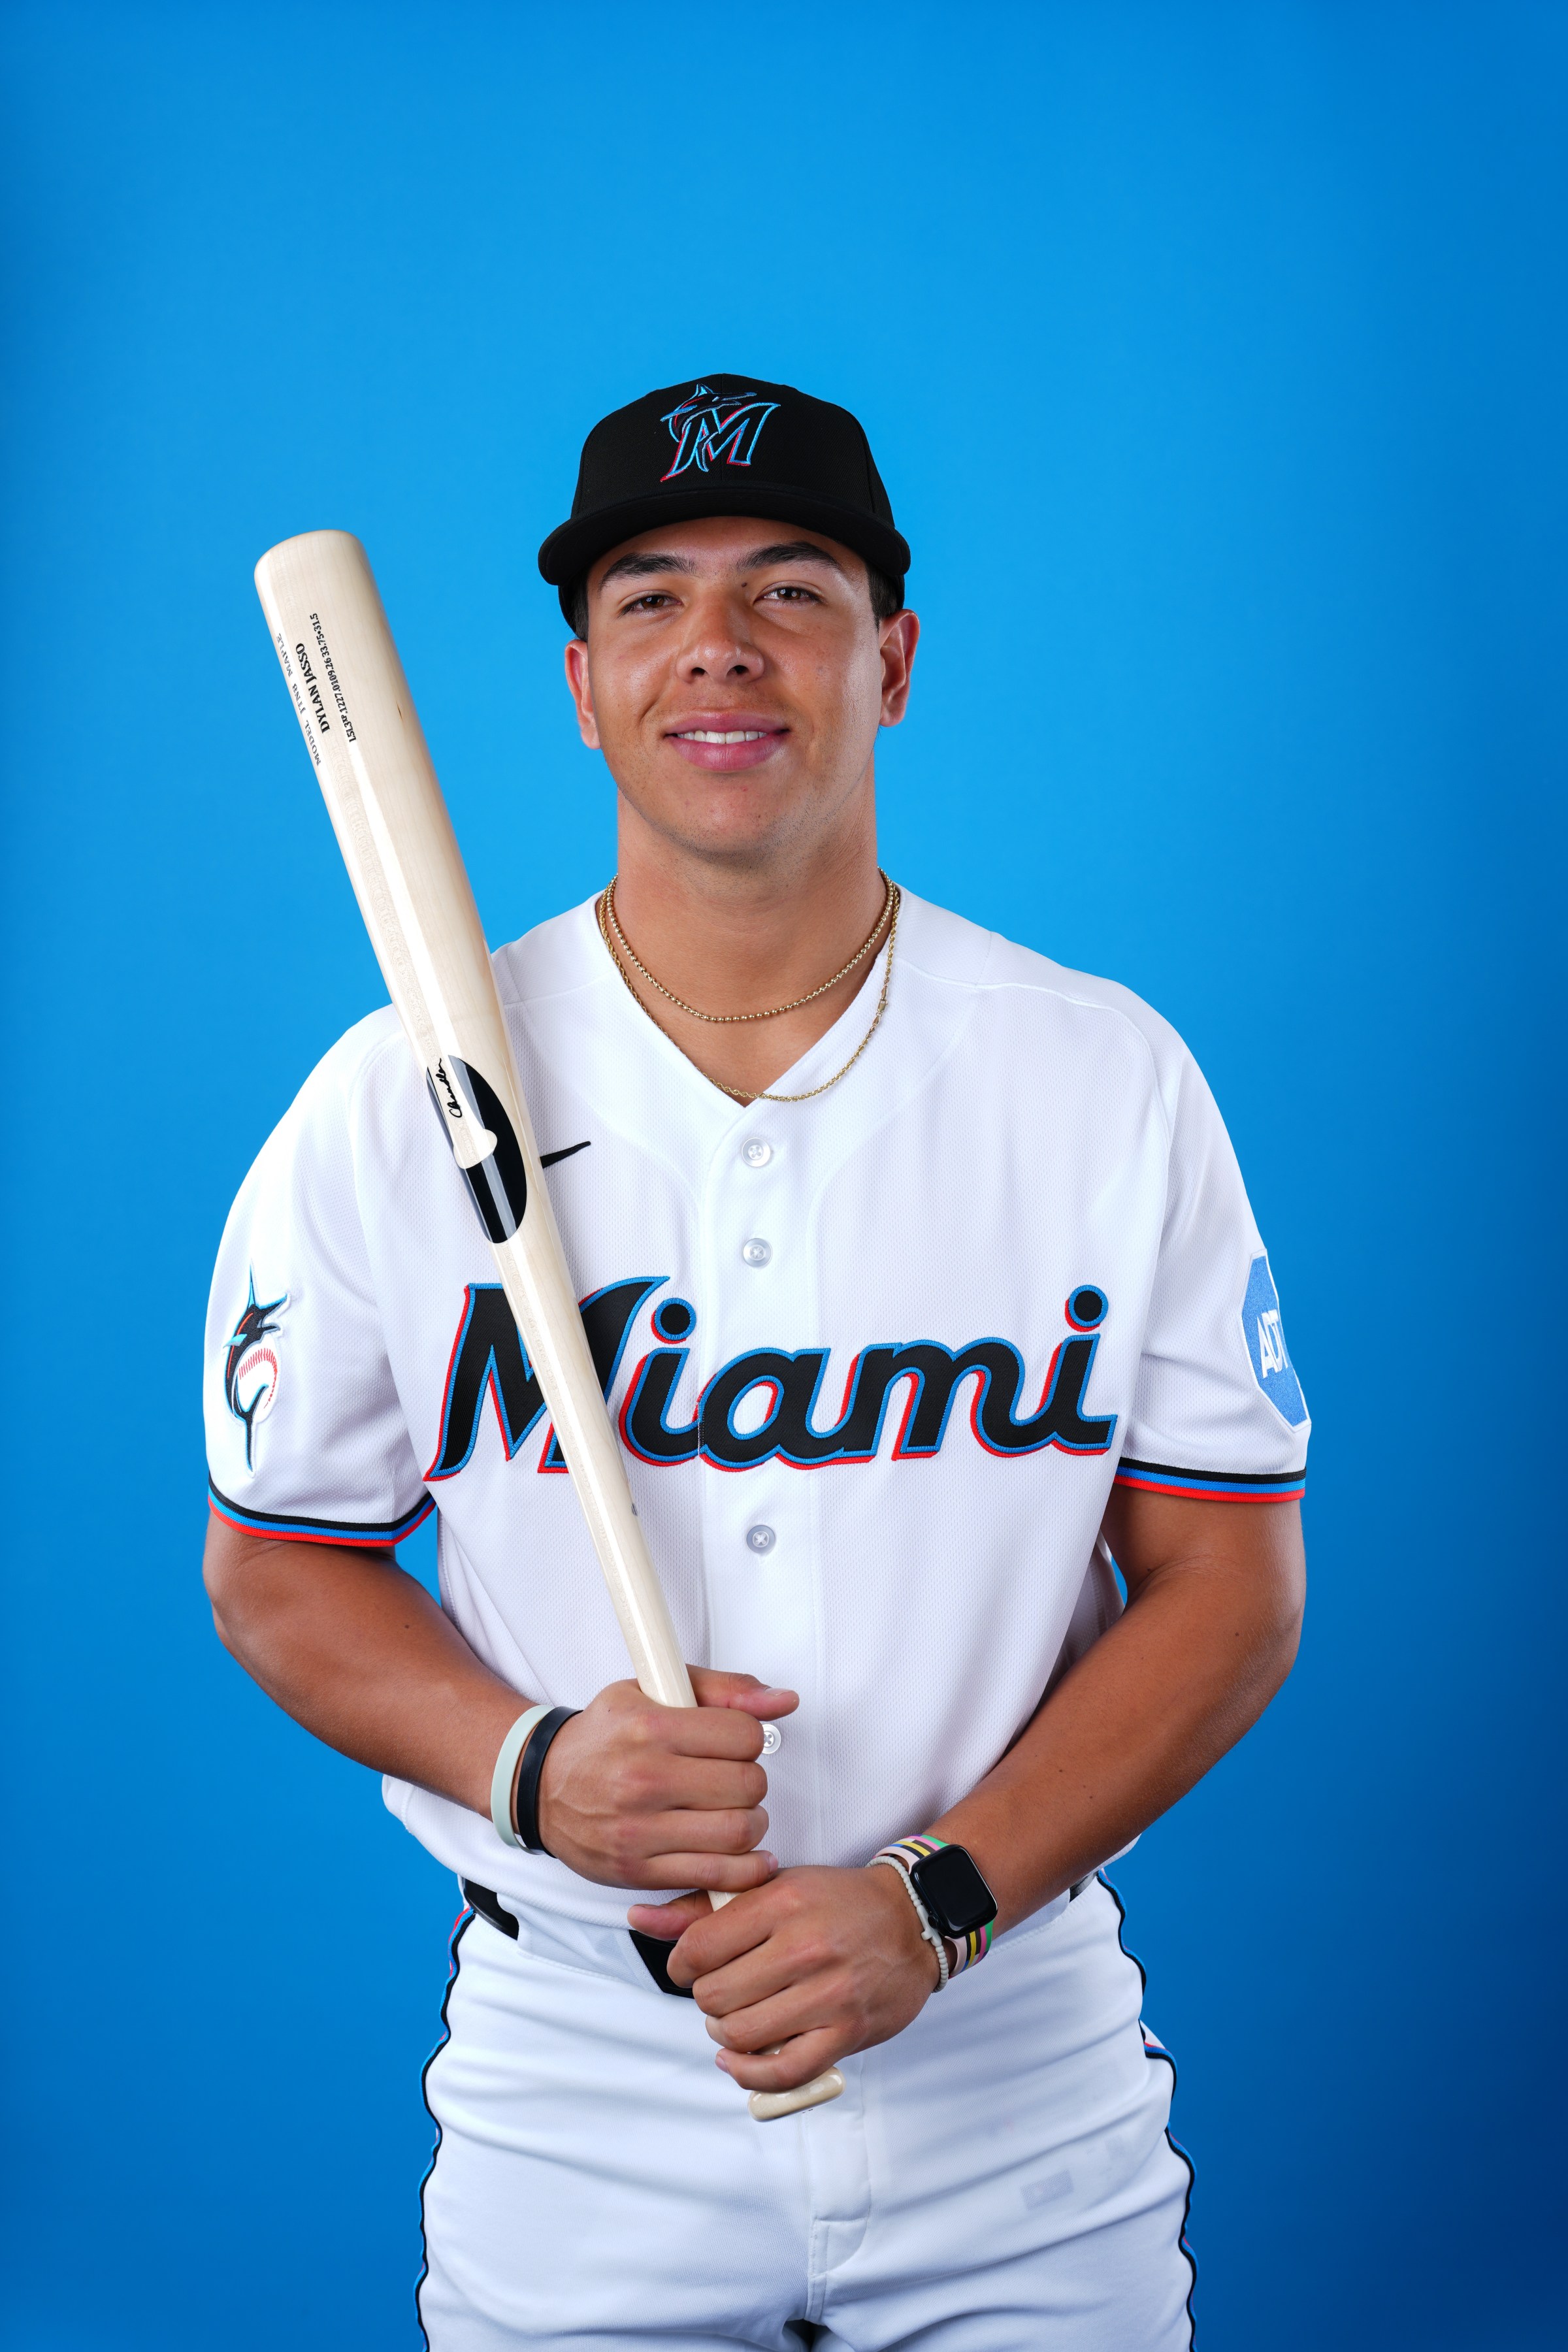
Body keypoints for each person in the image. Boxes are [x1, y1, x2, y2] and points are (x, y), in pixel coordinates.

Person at [204, 374, 1309, 2349]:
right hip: (579, 2084)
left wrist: (936, 1900)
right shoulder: (391, 1101)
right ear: (580, 681)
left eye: (791, 591)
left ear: (891, 659)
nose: (718, 645)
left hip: (1014, 2062)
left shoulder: (1100, 1076)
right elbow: (274, 1566)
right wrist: (532, 1768)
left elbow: (1227, 1582)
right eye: (651, 597)